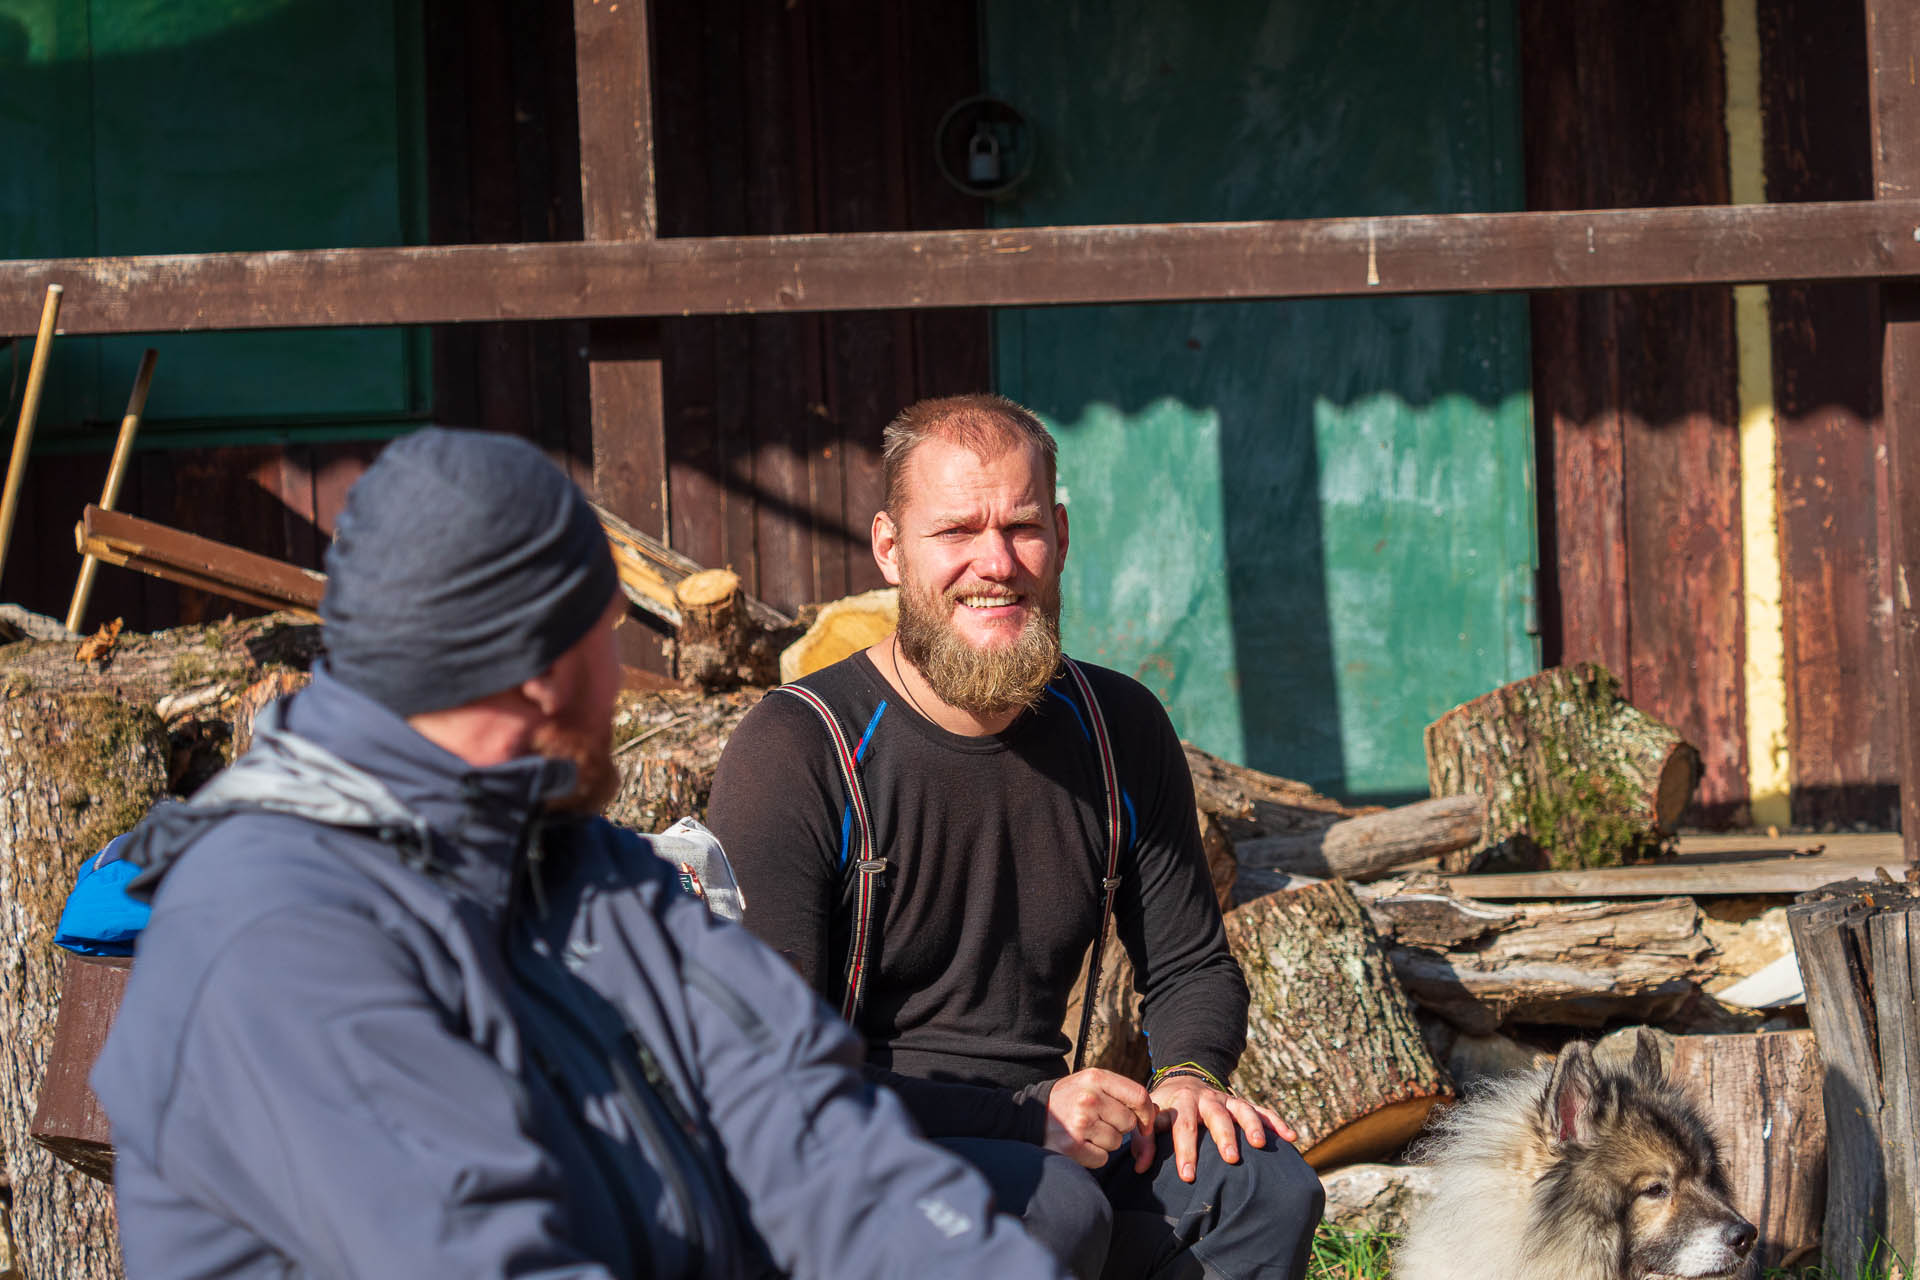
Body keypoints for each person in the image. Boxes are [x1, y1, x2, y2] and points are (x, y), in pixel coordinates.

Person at [90, 428, 1068, 1280]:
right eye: (607, 629)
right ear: (539, 667)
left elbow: (819, 1137)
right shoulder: (280, 936)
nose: (619, 674)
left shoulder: (586, 874)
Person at [706, 395, 1325, 1280]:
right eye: (957, 530)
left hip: (1048, 1138)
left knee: (1264, 1189)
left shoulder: (1118, 728)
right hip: (842, 1165)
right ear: (890, 549)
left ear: (1062, 536)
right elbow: (777, 1075)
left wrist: (1189, 1077)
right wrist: (1027, 1119)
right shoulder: (799, 747)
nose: (995, 564)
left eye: (1023, 527)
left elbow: (1190, 965)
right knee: (1054, 1206)